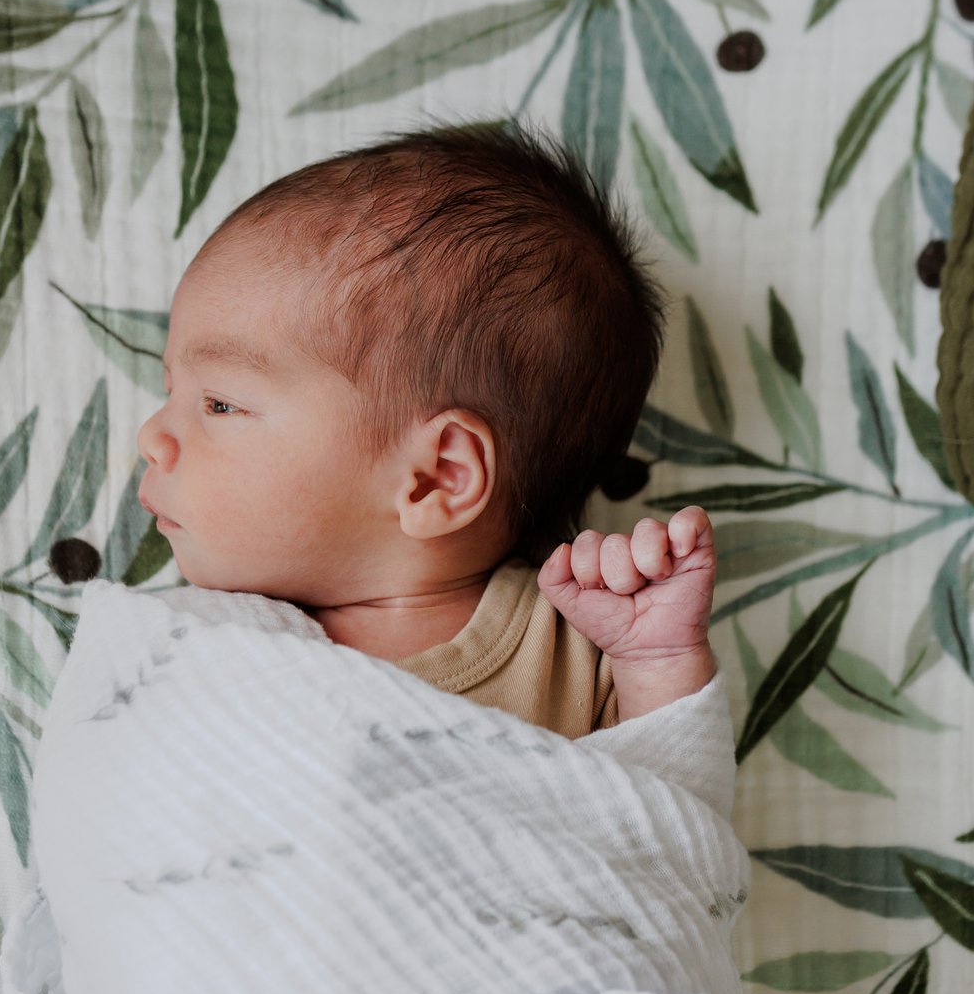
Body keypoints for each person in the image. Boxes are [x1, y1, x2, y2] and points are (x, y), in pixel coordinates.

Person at [134, 124, 723, 734]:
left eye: (220, 405)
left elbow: (668, 805)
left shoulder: (570, 653)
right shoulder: (189, 642)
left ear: (435, 478)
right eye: (172, 392)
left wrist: (658, 662)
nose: (151, 435)